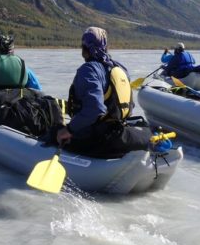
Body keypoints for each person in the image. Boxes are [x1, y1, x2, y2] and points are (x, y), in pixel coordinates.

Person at [54, 27, 152, 157]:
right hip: (116, 130)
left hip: (98, 137)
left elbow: (95, 108)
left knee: (53, 133)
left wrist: (69, 130)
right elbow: (130, 106)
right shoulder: (119, 68)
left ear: (86, 48)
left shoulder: (89, 70)